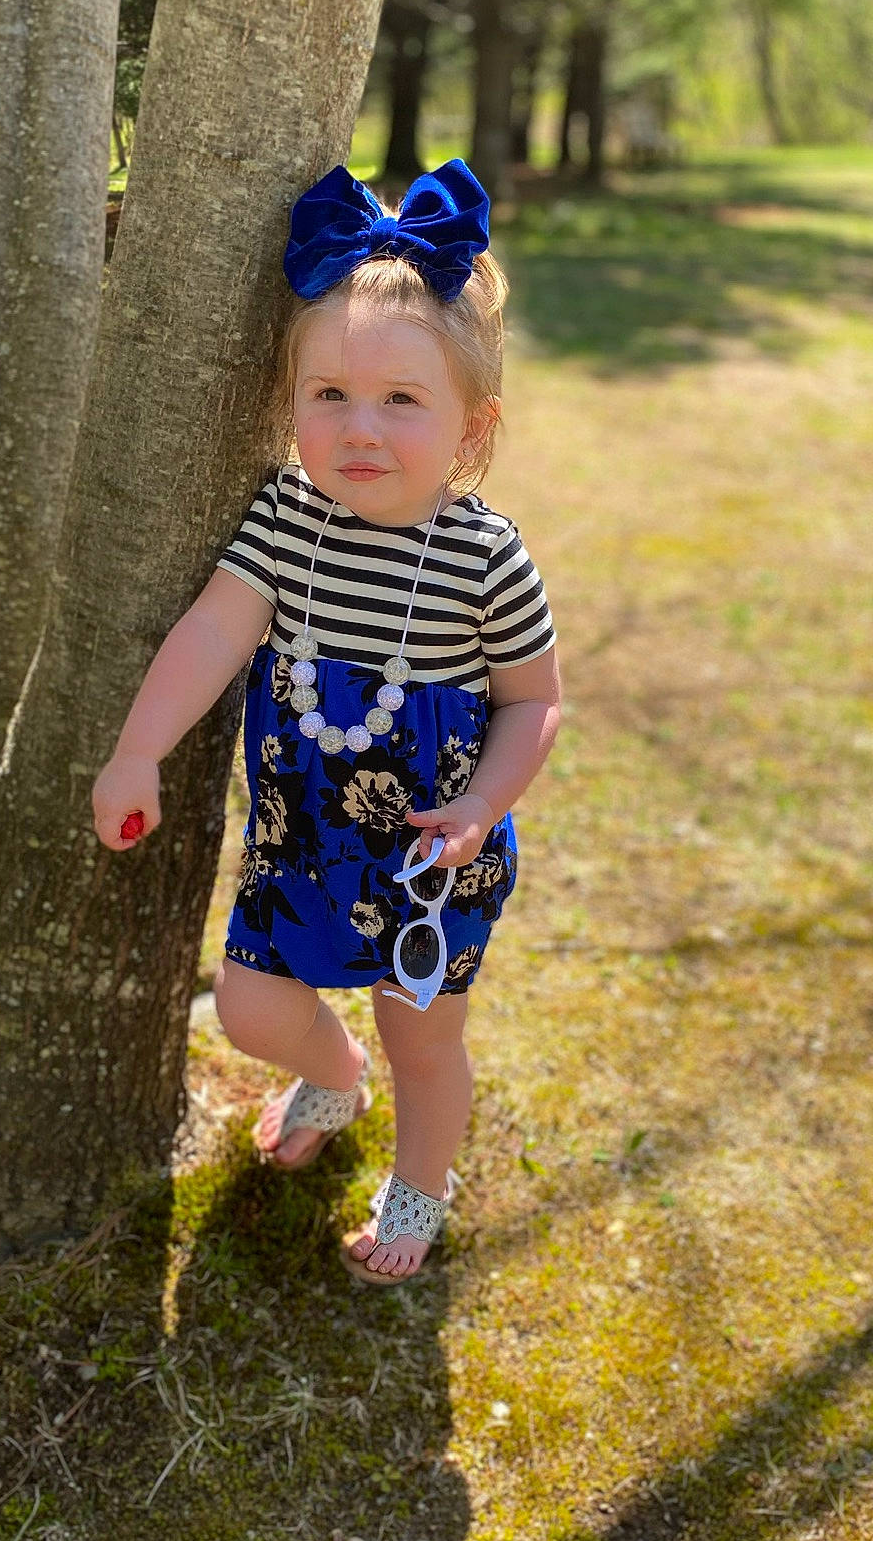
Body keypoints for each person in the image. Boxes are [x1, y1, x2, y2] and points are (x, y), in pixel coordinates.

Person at [92, 159, 562, 1285]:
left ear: (470, 423)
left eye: (403, 401)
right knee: (253, 1003)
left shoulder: (481, 553)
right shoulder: (288, 516)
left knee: (427, 1036)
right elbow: (214, 629)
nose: (361, 428)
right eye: (329, 396)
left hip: (424, 860)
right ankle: (332, 1069)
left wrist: (485, 803)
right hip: (299, 840)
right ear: (291, 401)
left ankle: (419, 1186)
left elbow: (537, 698)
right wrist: (138, 746)